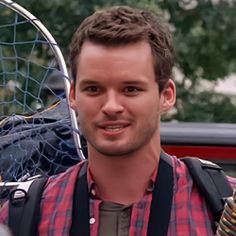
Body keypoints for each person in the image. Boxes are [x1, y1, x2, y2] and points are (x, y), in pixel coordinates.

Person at [0, 5, 236, 236]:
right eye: (93, 89)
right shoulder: (25, 215)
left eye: (131, 89)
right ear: (72, 95)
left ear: (167, 95)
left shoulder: (222, 204)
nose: (111, 106)